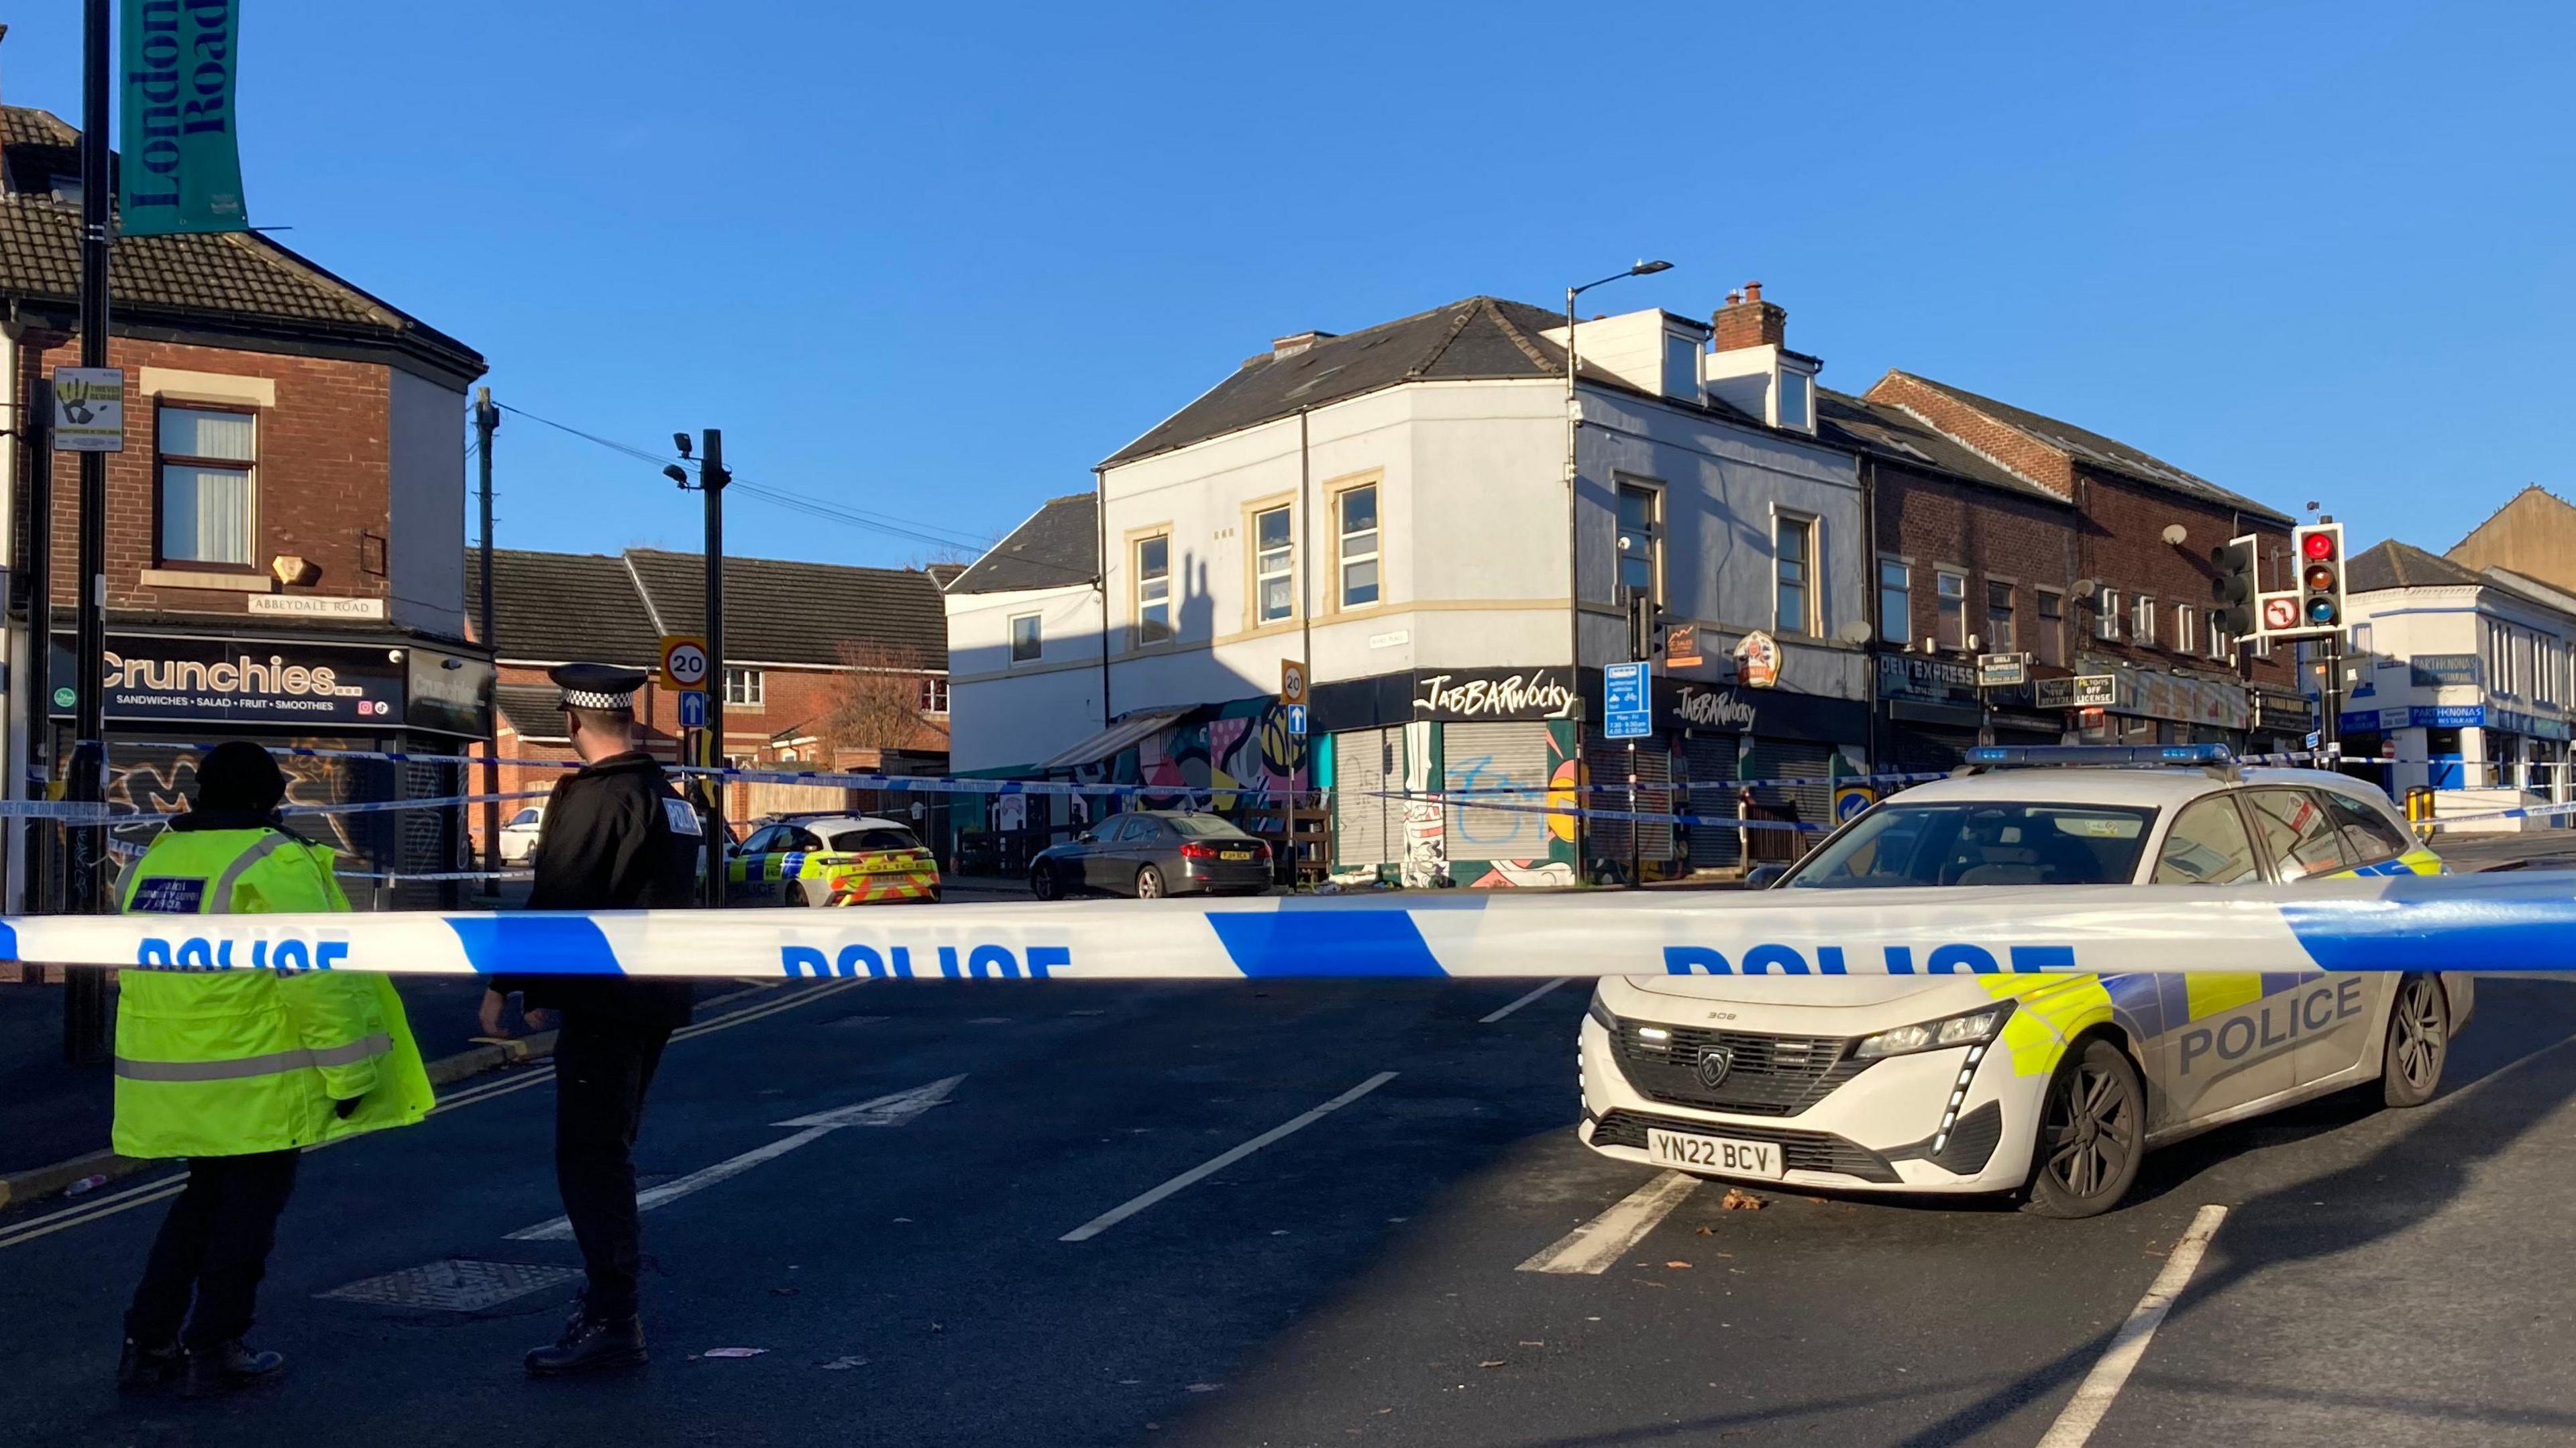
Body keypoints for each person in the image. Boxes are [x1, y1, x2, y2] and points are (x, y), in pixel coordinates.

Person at [113, 741, 433, 1398]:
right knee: (246, 1212)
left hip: (169, 1074)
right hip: (255, 1076)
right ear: (269, 797)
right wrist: (350, 1079)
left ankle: (148, 1343)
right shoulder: (274, 858)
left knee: (200, 1203)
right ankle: (218, 1343)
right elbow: (315, 978)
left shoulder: (157, 856)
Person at [480, 663, 700, 1376]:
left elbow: (562, 894)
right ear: (630, 720)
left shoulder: (594, 797)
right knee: (611, 1148)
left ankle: (613, 1315)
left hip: (606, 1000)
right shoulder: (670, 796)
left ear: (572, 722)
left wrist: (507, 983)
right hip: (655, 995)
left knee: (590, 1157)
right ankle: (613, 1305)